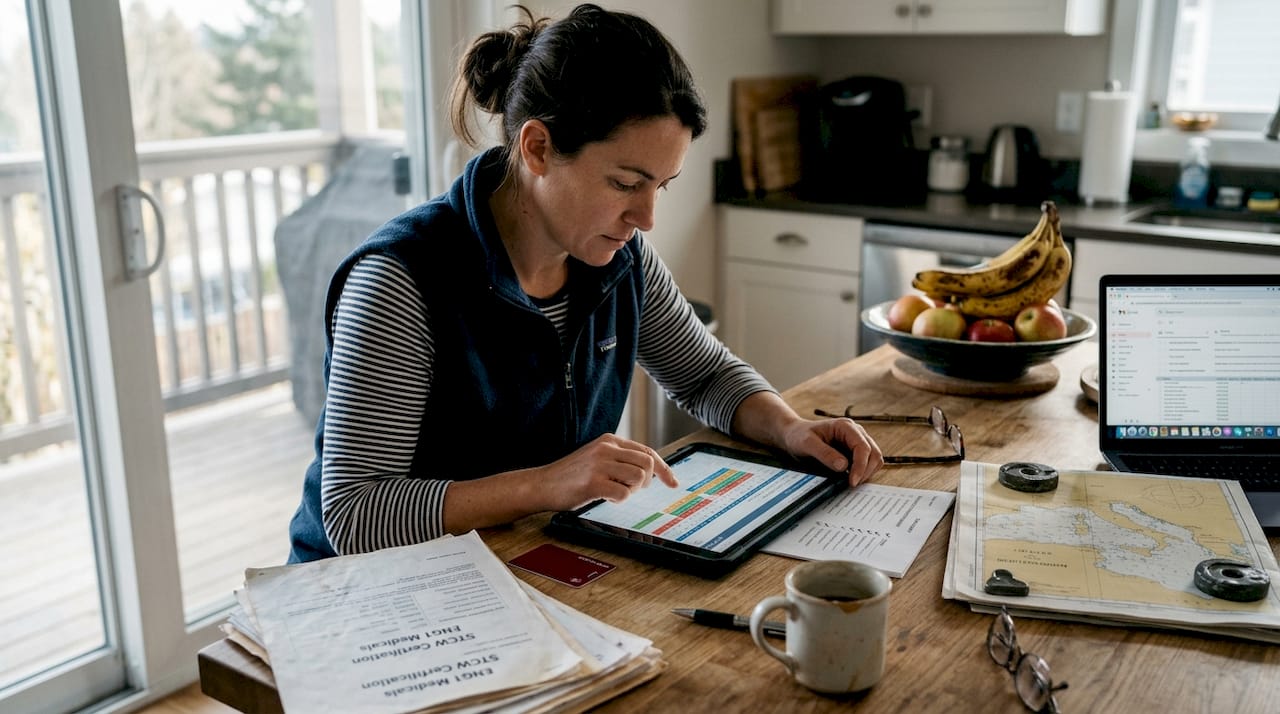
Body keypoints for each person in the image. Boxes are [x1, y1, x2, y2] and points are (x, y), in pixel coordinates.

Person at [286, 3, 884, 563]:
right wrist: (548, 484)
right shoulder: (400, 280)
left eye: (662, 185)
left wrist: (791, 427)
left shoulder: (621, 259)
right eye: (626, 183)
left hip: (506, 566)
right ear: (538, 147)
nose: (646, 217)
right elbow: (355, 514)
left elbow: (705, 375)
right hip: (360, 603)